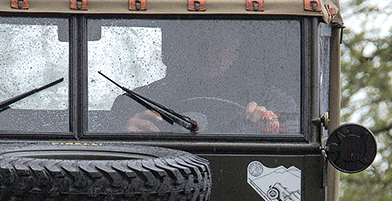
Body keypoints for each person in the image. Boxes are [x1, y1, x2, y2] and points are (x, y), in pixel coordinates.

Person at [122, 20, 291, 135]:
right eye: (198, 40)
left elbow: (294, 146)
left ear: (237, 46)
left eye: (219, 39)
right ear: (180, 44)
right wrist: (128, 134)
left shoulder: (272, 100)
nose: (208, 50)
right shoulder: (135, 102)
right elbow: (114, 153)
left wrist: (271, 128)